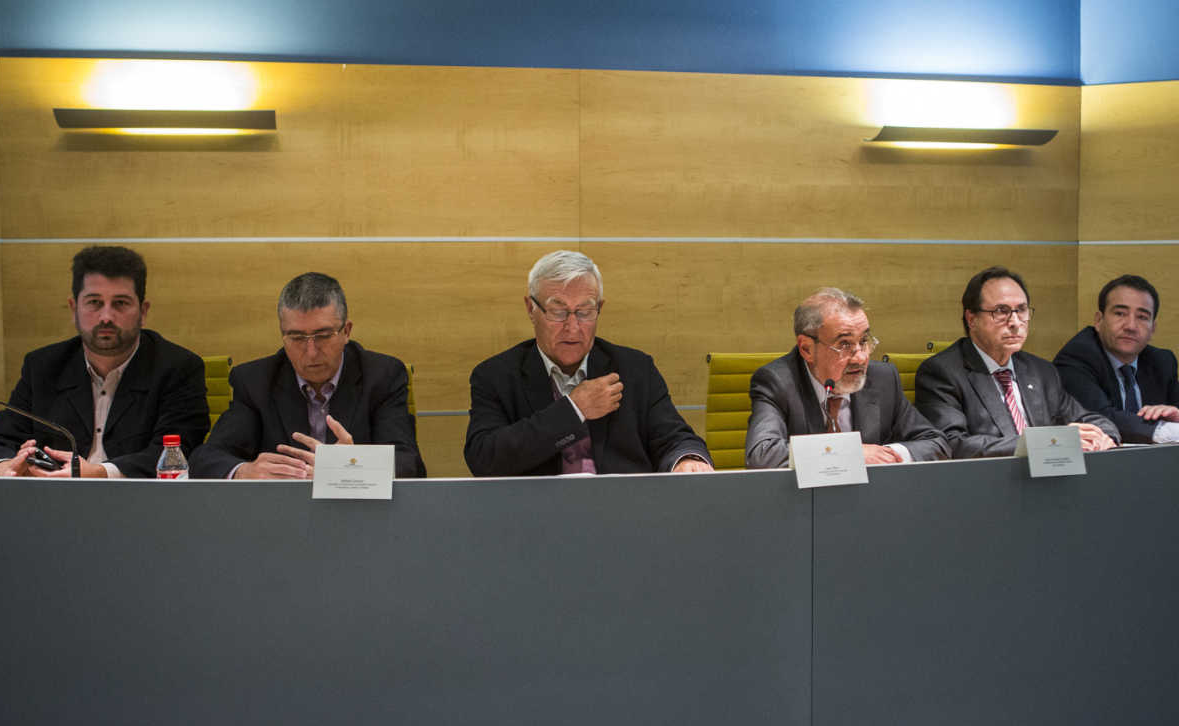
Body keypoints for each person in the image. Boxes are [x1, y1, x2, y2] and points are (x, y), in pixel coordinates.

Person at [464, 250, 712, 476]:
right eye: (558, 312)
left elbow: (673, 437)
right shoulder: (495, 376)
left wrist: (686, 458)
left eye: (584, 312)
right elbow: (484, 458)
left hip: (621, 512)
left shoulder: (635, 369)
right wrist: (574, 410)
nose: (572, 327)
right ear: (531, 309)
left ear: (599, 309)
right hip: (537, 516)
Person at [0, 246, 209, 477]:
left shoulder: (177, 367)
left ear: (143, 311)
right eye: (94, 303)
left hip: (141, 503)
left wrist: (99, 472)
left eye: (120, 303)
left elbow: (176, 454)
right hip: (52, 502)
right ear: (74, 308)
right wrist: (5, 468)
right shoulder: (43, 366)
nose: (106, 317)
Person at [188, 272, 425, 479]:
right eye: (297, 338)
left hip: (358, 516)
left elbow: (410, 464)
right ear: (283, 335)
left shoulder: (382, 376)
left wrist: (354, 464)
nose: (311, 352)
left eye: (323, 335)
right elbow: (206, 458)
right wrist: (243, 471)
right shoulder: (255, 381)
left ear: (346, 331)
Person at [915, 266, 1119, 458]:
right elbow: (952, 444)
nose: (1014, 323)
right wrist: (1039, 443)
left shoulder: (1041, 371)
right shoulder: (942, 373)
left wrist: (1103, 436)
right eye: (1001, 311)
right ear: (971, 319)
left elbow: (1092, 420)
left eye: (1021, 310)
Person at [745, 288, 948, 468]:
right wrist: (851, 454)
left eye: (864, 341)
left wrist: (890, 455)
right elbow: (762, 455)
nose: (860, 357)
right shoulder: (777, 382)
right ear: (806, 348)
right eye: (844, 344)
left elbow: (935, 443)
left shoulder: (882, 378)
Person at [1054, 274, 1179, 444]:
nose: (1131, 326)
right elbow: (1099, 418)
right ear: (1099, 320)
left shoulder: (1162, 361)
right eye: (1120, 313)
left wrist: (1175, 416)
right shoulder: (1077, 357)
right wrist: (1166, 430)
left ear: (1153, 329)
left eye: (1142, 317)